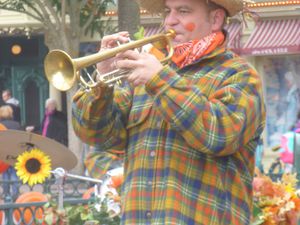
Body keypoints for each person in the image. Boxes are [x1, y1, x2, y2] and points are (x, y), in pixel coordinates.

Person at [72, 0, 266, 224]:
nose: (170, 20)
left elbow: (219, 136)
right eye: (168, 11)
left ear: (215, 19)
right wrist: (101, 82)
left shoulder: (239, 75)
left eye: (183, 11)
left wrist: (160, 81)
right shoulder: (147, 75)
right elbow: (97, 135)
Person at [0, 105, 22, 200]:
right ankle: (15, 194)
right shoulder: (16, 125)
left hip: (3, 152)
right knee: (14, 173)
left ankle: (5, 193)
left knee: (5, 173)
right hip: (14, 152)